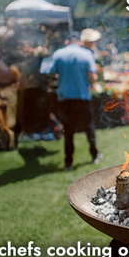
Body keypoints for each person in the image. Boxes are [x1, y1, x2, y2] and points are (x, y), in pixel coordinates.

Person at [50, 29, 103, 170]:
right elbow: (92, 77)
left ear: (67, 41)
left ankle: (68, 162)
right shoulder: (86, 54)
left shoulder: (58, 54)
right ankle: (94, 154)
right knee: (89, 127)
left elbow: (52, 74)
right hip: (82, 97)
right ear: (79, 41)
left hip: (65, 99)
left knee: (68, 131)